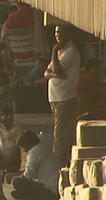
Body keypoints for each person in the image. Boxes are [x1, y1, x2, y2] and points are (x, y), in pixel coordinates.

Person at [44, 26, 81, 165]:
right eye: (56, 32)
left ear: (69, 33)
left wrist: (53, 51)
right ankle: (63, 164)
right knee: (61, 133)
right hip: (55, 97)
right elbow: (46, 73)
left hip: (64, 97)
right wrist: (54, 74)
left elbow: (57, 69)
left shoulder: (70, 52)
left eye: (60, 32)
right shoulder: (61, 52)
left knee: (59, 137)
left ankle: (56, 168)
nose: (57, 35)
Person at [8, 130, 61, 199]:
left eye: (24, 147)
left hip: (49, 188)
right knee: (16, 193)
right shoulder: (42, 148)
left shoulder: (35, 151)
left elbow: (27, 176)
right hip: (53, 187)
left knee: (16, 182)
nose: (24, 150)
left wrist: (13, 178)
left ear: (29, 144)